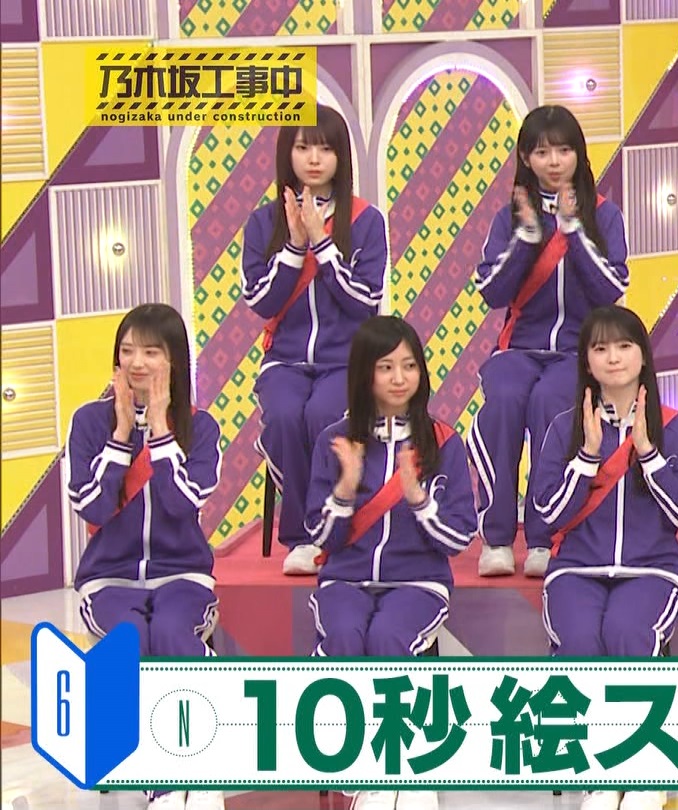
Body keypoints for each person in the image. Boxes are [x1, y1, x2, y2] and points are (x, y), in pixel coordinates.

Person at [529, 306, 678, 810]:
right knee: (580, 641)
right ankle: (602, 775)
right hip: (577, 569)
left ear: (643, 356)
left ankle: (643, 773)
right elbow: (548, 513)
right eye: (600, 348)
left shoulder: (674, 426)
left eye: (624, 346)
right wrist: (587, 456)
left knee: (628, 632)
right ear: (586, 360)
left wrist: (647, 452)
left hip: (652, 568)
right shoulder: (564, 427)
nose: (613, 357)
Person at [303, 316, 477, 810]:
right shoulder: (335, 440)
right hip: (345, 580)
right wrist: (345, 487)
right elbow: (320, 537)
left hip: (418, 582)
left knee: (387, 638)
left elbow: (457, 538)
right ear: (364, 373)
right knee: (344, 636)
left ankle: (394, 772)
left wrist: (418, 499)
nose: (400, 378)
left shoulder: (442, 441)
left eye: (409, 365)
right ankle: (361, 768)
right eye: (385, 367)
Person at [65, 303, 225, 810]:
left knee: (174, 633)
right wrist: (119, 436)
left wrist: (159, 429)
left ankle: (192, 769)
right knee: (131, 639)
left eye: (151, 352)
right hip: (108, 580)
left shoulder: (200, 428)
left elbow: (182, 503)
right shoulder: (87, 421)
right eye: (127, 351)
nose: (136, 363)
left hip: (183, 576)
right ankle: (162, 778)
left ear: (174, 361)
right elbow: (90, 505)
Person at [469, 105, 630, 578]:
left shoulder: (604, 214)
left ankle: (544, 536)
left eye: (563, 150)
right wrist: (525, 238)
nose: (554, 161)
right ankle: (497, 537)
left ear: (579, 154)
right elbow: (491, 291)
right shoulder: (509, 217)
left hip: (577, 354)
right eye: (542, 152)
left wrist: (573, 231)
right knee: (503, 401)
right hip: (517, 349)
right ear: (525, 157)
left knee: (550, 403)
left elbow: (612, 289)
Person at [242, 105, 388, 576]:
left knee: (324, 415)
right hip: (284, 361)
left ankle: (328, 528)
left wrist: (321, 245)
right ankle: (302, 536)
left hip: (346, 361)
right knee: (286, 415)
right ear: (288, 153)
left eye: (325, 148)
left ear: (341, 156)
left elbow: (365, 302)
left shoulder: (366, 221)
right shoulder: (263, 222)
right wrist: (293, 246)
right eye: (303, 147)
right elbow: (261, 300)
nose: (314, 158)